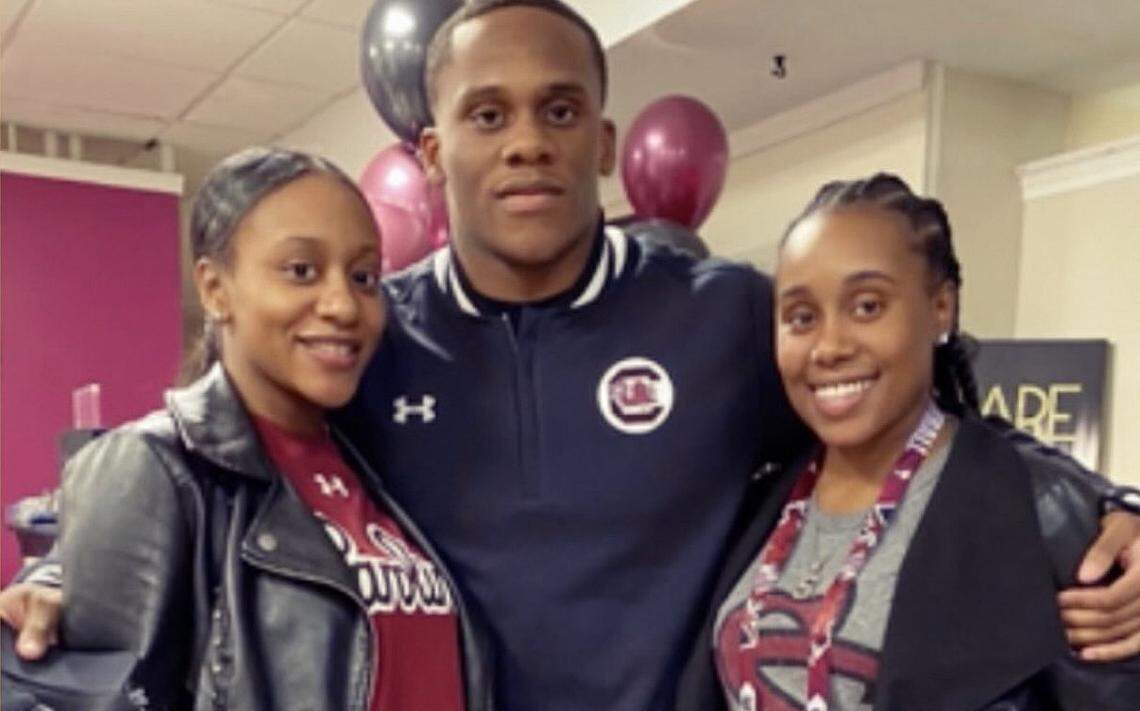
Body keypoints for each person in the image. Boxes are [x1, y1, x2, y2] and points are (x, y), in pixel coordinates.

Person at [5, 3, 1140, 710]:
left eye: (558, 110)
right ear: (432, 147)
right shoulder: (369, 341)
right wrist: (70, 575)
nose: (527, 144)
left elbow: (908, 414)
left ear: (602, 137)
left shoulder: (727, 318)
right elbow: (230, 473)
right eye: (488, 116)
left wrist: (1107, 502)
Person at [1, 147, 491, 710]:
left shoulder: (370, 465)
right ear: (214, 289)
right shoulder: (157, 464)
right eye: (301, 270)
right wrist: (54, 587)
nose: (343, 304)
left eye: (363, 276)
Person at [675, 174, 1140, 710]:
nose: (829, 346)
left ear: (941, 308)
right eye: (801, 317)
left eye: (867, 306)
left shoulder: (1040, 514)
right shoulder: (758, 500)